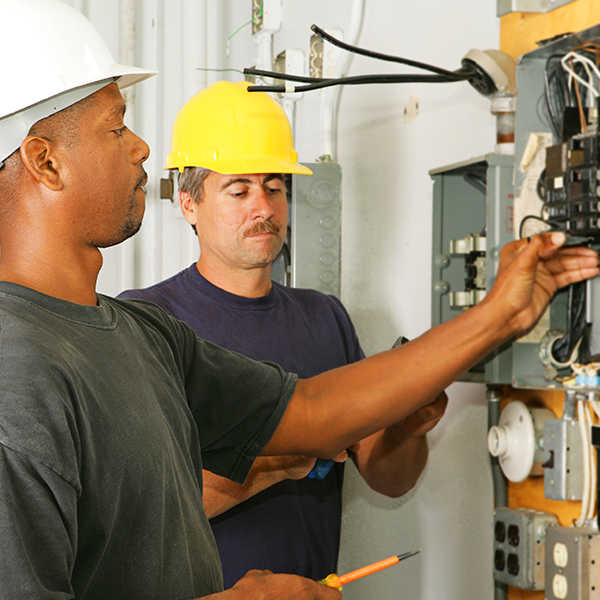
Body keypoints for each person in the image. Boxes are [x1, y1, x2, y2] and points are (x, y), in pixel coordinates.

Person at [1, 1, 598, 599]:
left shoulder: (141, 335)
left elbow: (312, 410)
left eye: (273, 185)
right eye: (116, 126)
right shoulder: (15, 375)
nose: (140, 148)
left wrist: (503, 313)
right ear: (45, 161)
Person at [119, 80, 448, 588]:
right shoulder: (147, 321)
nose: (264, 208)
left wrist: (409, 427)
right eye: (239, 189)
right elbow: (143, 510)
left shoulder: (325, 318)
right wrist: (286, 456)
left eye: (275, 187)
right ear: (188, 203)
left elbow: (389, 478)